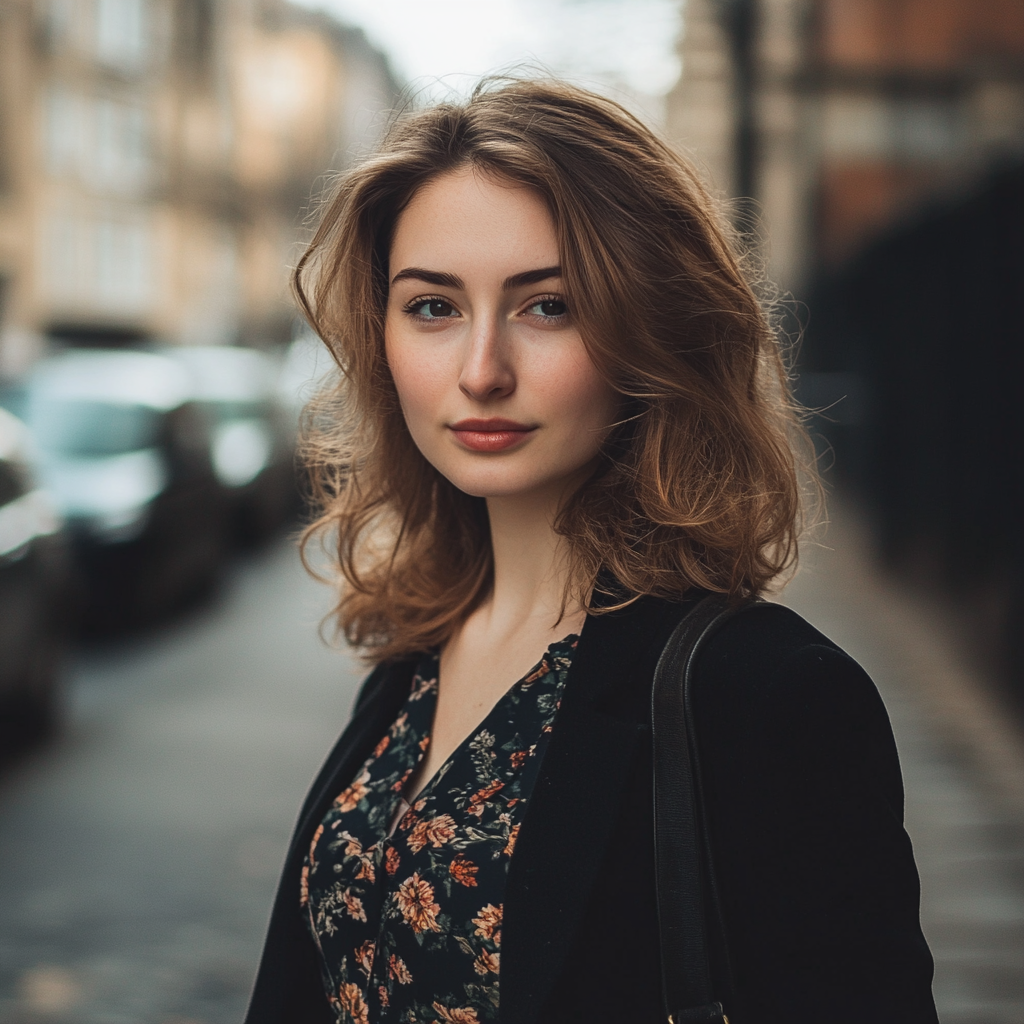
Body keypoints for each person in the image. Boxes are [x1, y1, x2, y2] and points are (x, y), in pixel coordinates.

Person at [245, 78, 938, 1024]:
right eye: (433, 308)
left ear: (650, 330)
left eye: (548, 306)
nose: (481, 370)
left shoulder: (770, 697)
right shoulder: (414, 656)